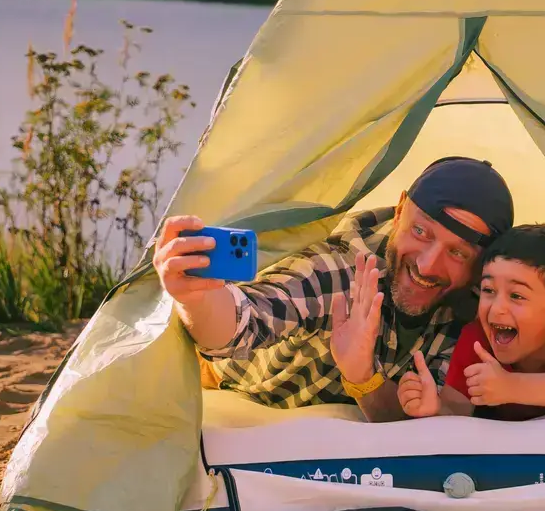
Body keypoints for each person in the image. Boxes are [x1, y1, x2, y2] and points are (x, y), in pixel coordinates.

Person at [151, 156, 514, 418]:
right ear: (400, 209)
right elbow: (240, 324)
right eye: (421, 232)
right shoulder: (340, 271)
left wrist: (363, 378)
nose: (427, 265)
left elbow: (415, 425)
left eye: (457, 253)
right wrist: (195, 296)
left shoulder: (475, 316)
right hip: (228, 381)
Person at [398, 223, 545, 420]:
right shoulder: (477, 341)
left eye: (516, 295)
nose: (496, 308)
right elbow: (456, 412)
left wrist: (510, 387)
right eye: (488, 290)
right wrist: (434, 409)